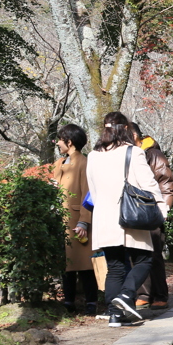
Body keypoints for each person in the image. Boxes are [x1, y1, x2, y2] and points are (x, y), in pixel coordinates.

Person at [86, 112, 169, 327]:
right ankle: (125, 296)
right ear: (125, 129)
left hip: (104, 219)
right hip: (130, 216)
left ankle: (115, 315)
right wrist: (161, 210)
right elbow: (149, 185)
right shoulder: (133, 152)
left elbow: (93, 192)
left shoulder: (93, 155)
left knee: (115, 267)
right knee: (144, 259)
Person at [53, 124, 98, 314]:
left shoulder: (84, 162)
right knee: (67, 264)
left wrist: (84, 221)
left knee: (85, 263)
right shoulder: (59, 163)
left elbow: (88, 195)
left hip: (78, 220)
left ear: (69, 142)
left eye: (60, 140)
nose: (57, 143)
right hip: (60, 219)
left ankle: (91, 302)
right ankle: (68, 301)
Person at [131, 123, 173, 310]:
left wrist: (163, 211)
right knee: (136, 253)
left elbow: (166, 183)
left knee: (154, 253)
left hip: (152, 211)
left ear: (133, 135)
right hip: (133, 210)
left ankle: (159, 294)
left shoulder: (153, 154)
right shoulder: (128, 155)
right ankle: (143, 293)